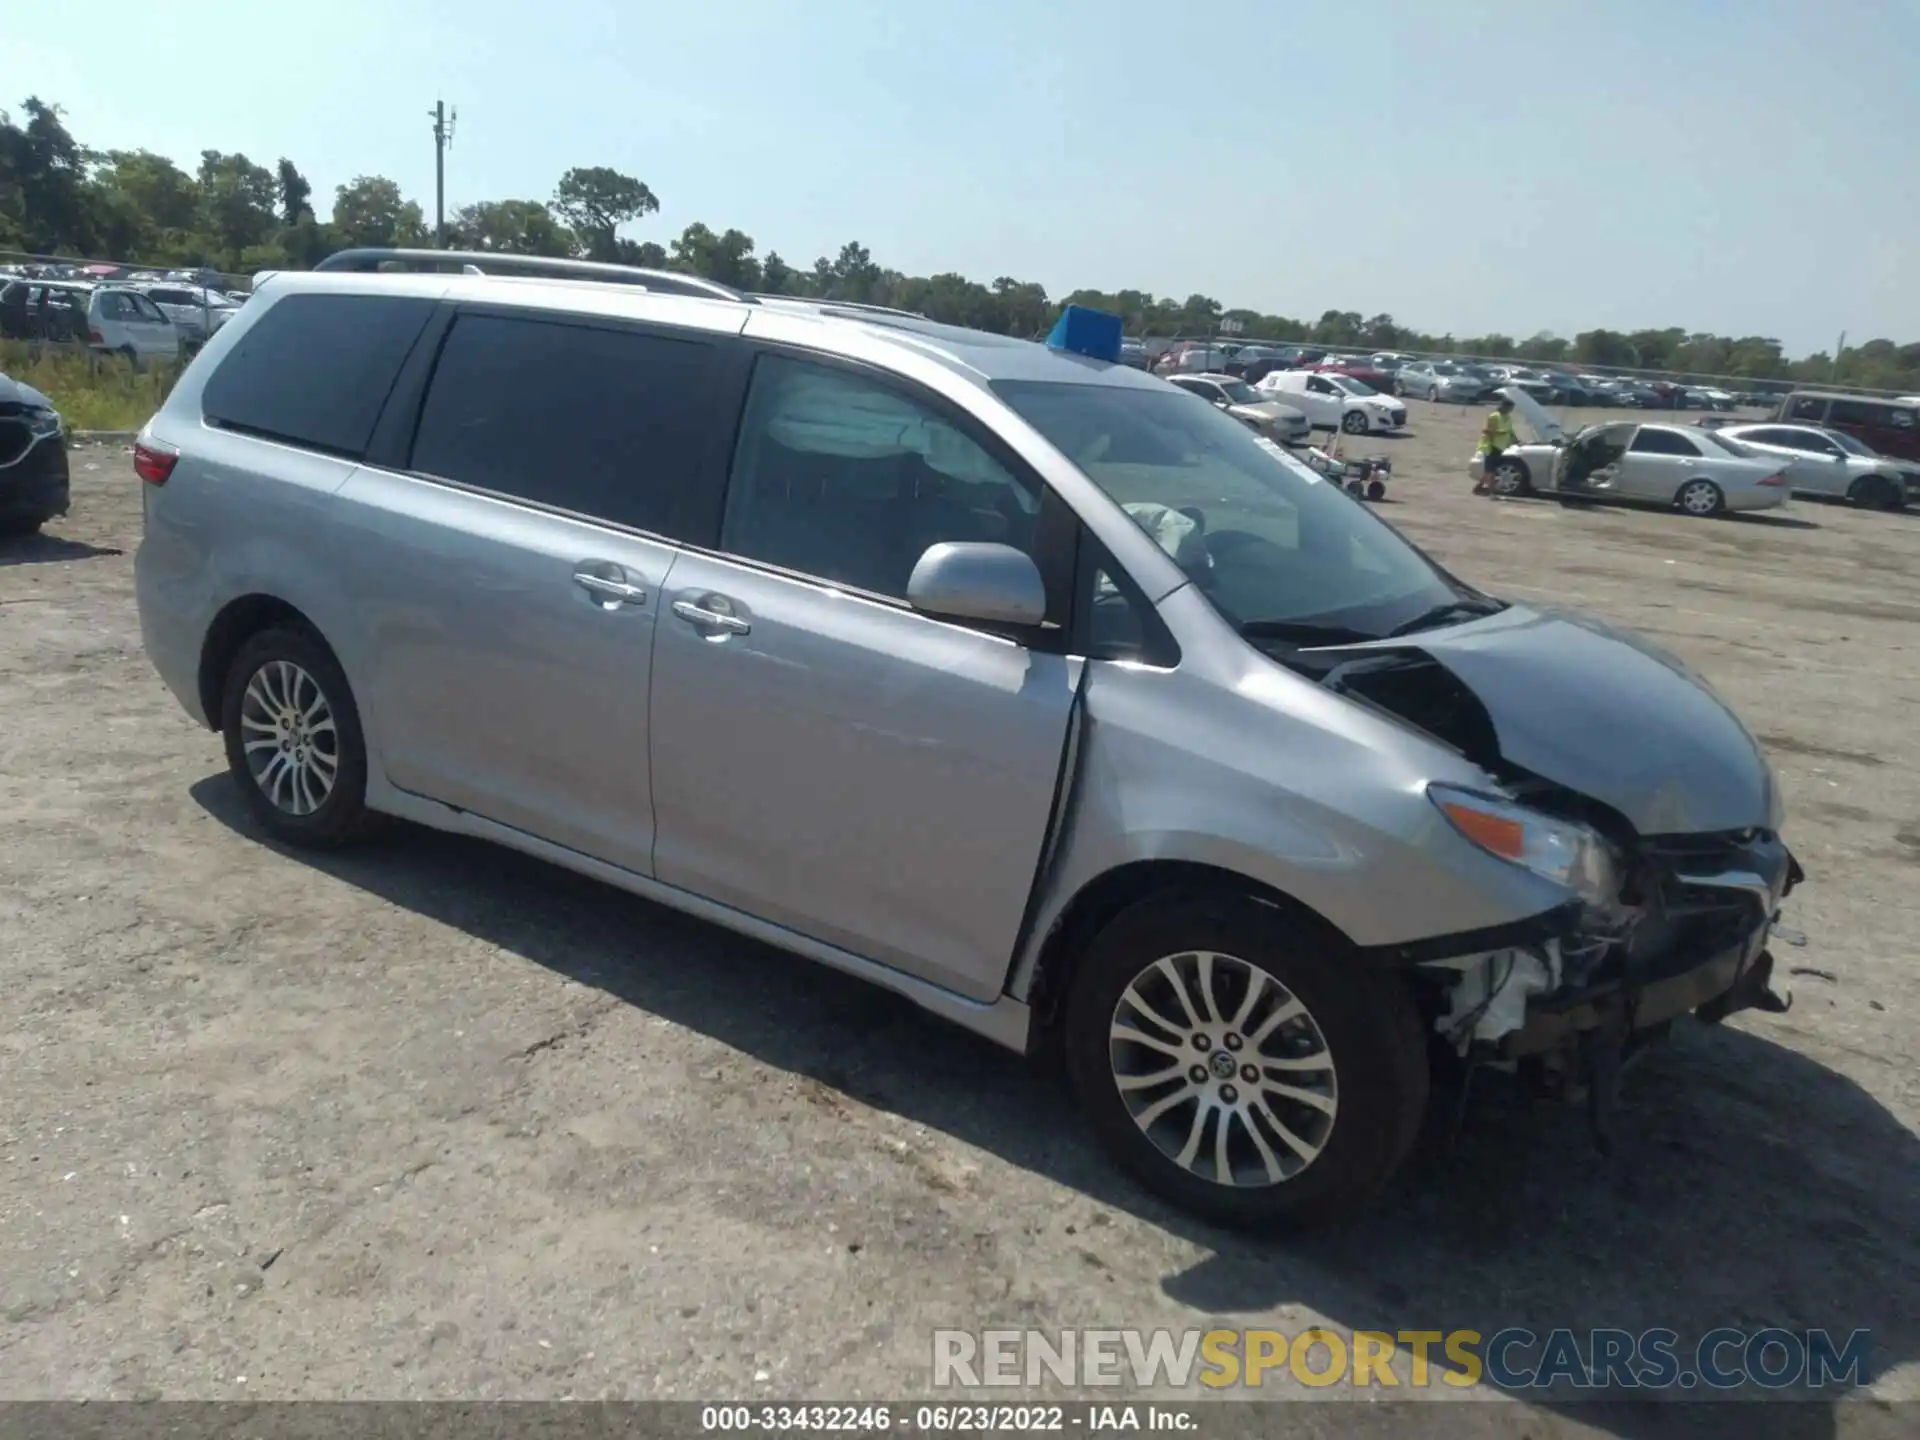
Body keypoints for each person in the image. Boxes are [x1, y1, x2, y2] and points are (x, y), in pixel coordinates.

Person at [1474, 397, 1518, 495]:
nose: (1510, 411)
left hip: (1500, 447)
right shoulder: (1494, 416)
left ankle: (1479, 487)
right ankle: (1492, 491)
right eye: (1510, 408)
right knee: (1491, 471)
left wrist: (1515, 440)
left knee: (1489, 470)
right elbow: (1486, 430)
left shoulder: (1507, 418)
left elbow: (1510, 431)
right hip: (1490, 446)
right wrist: (1501, 433)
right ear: (1503, 406)